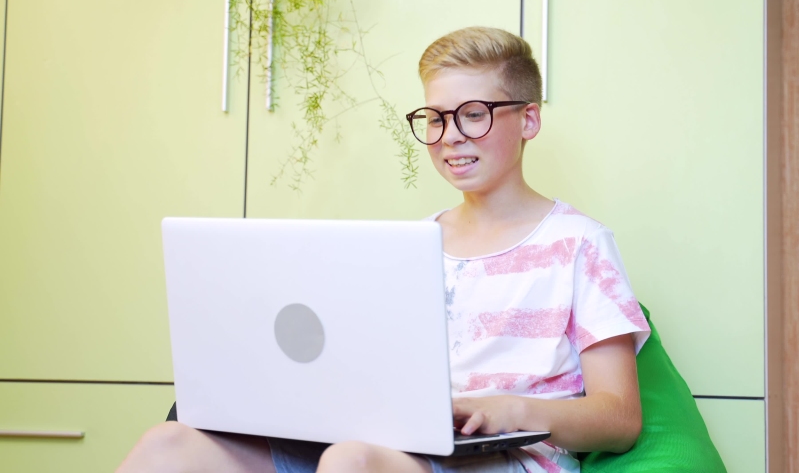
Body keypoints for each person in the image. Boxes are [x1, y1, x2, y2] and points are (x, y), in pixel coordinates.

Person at [117, 26, 650, 473]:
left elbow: (620, 419)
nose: (450, 136)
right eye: (436, 118)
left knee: (351, 461)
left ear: (528, 120)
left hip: (504, 456)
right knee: (168, 446)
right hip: (385, 444)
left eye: (473, 114)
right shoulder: (409, 244)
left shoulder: (580, 242)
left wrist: (508, 409)